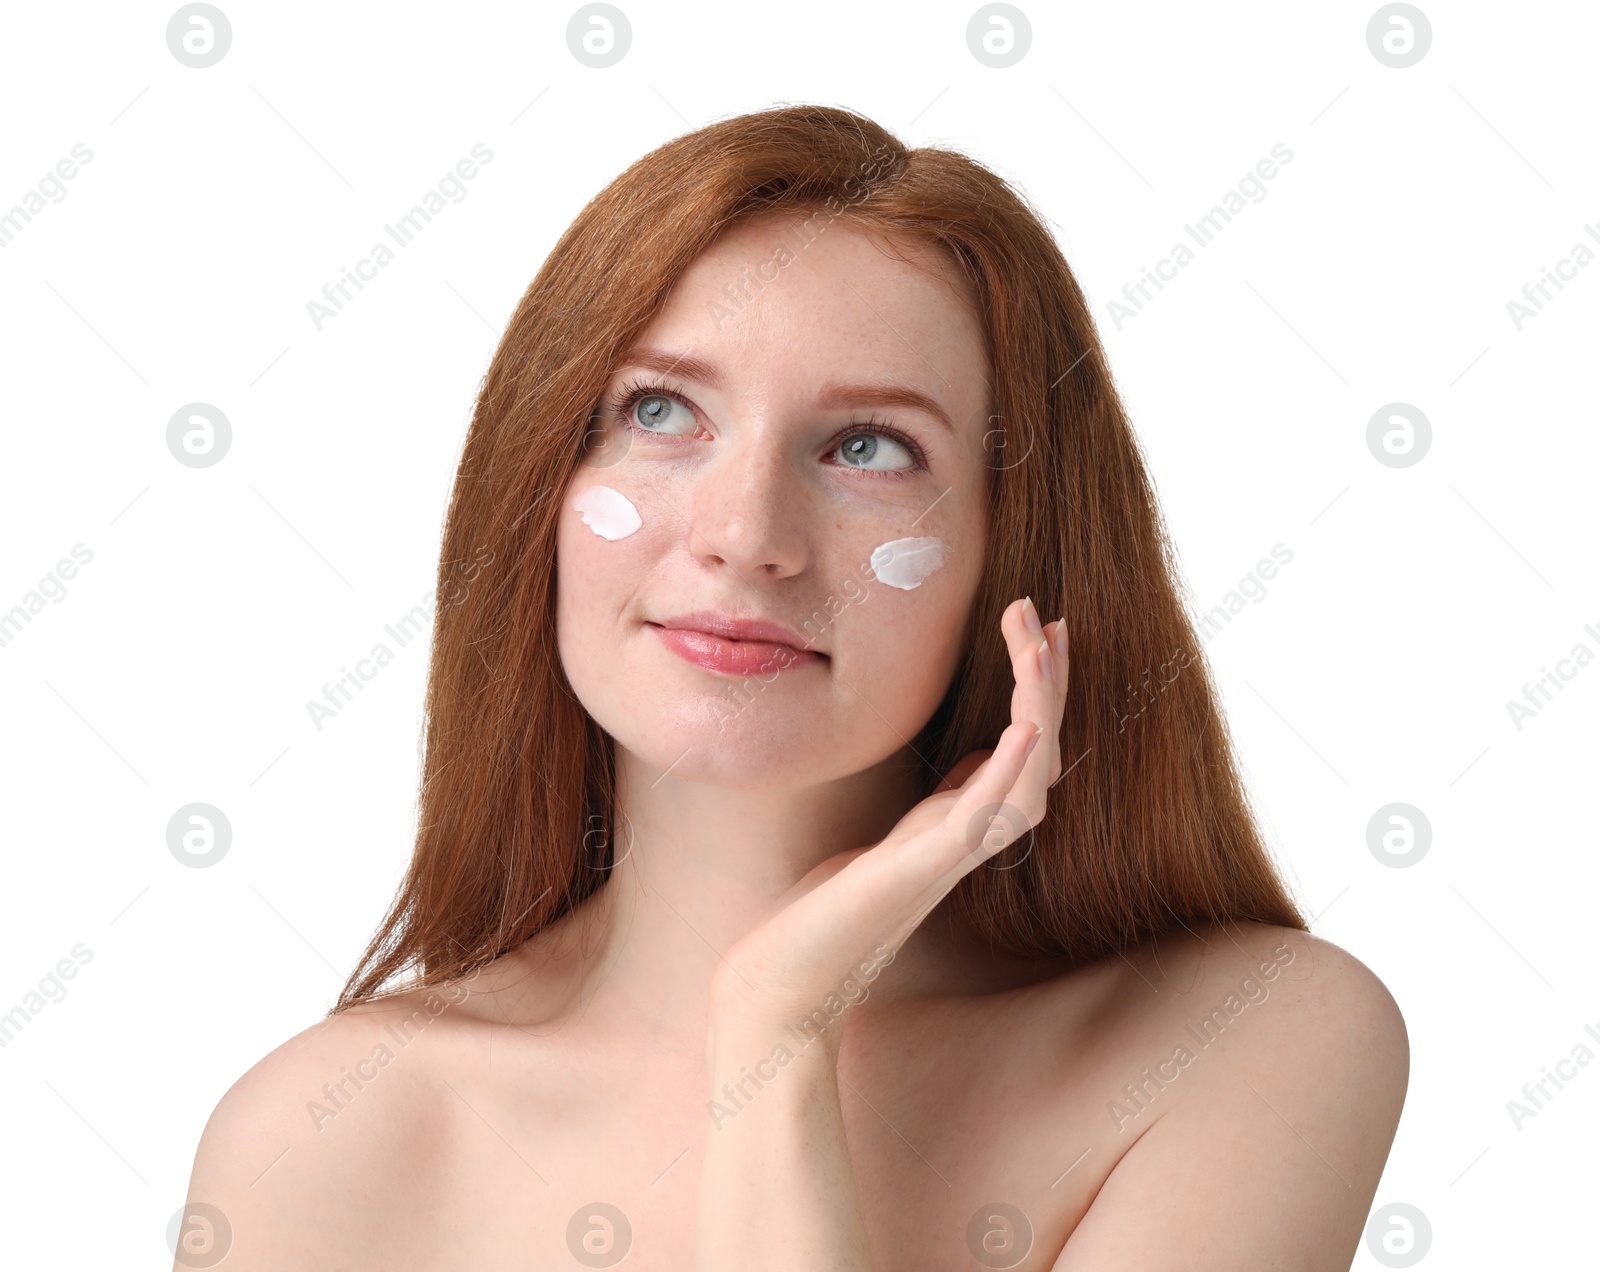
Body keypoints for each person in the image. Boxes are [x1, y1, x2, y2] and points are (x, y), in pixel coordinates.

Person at [175, 104, 1406, 1270]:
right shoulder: (323, 1134)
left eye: (869, 446)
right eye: (660, 411)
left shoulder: (1246, 1040)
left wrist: (775, 1026)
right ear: (536, 488)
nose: (744, 533)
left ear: (1012, 555)